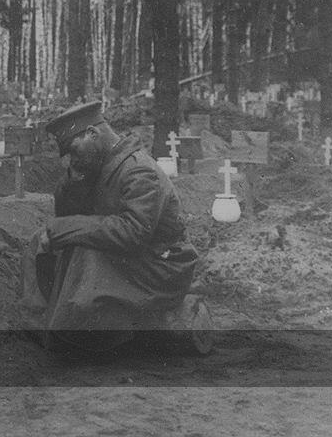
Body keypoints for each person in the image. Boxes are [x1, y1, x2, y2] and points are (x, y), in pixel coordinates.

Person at [21, 101, 199, 353]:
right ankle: (42, 323)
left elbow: (133, 233)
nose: (72, 159)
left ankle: (78, 336)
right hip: (132, 258)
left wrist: (65, 228)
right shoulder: (101, 163)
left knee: (84, 251)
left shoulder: (139, 170)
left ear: (92, 133)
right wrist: (74, 181)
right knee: (40, 239)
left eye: (73, 151)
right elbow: (68, 216)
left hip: (160, 267)